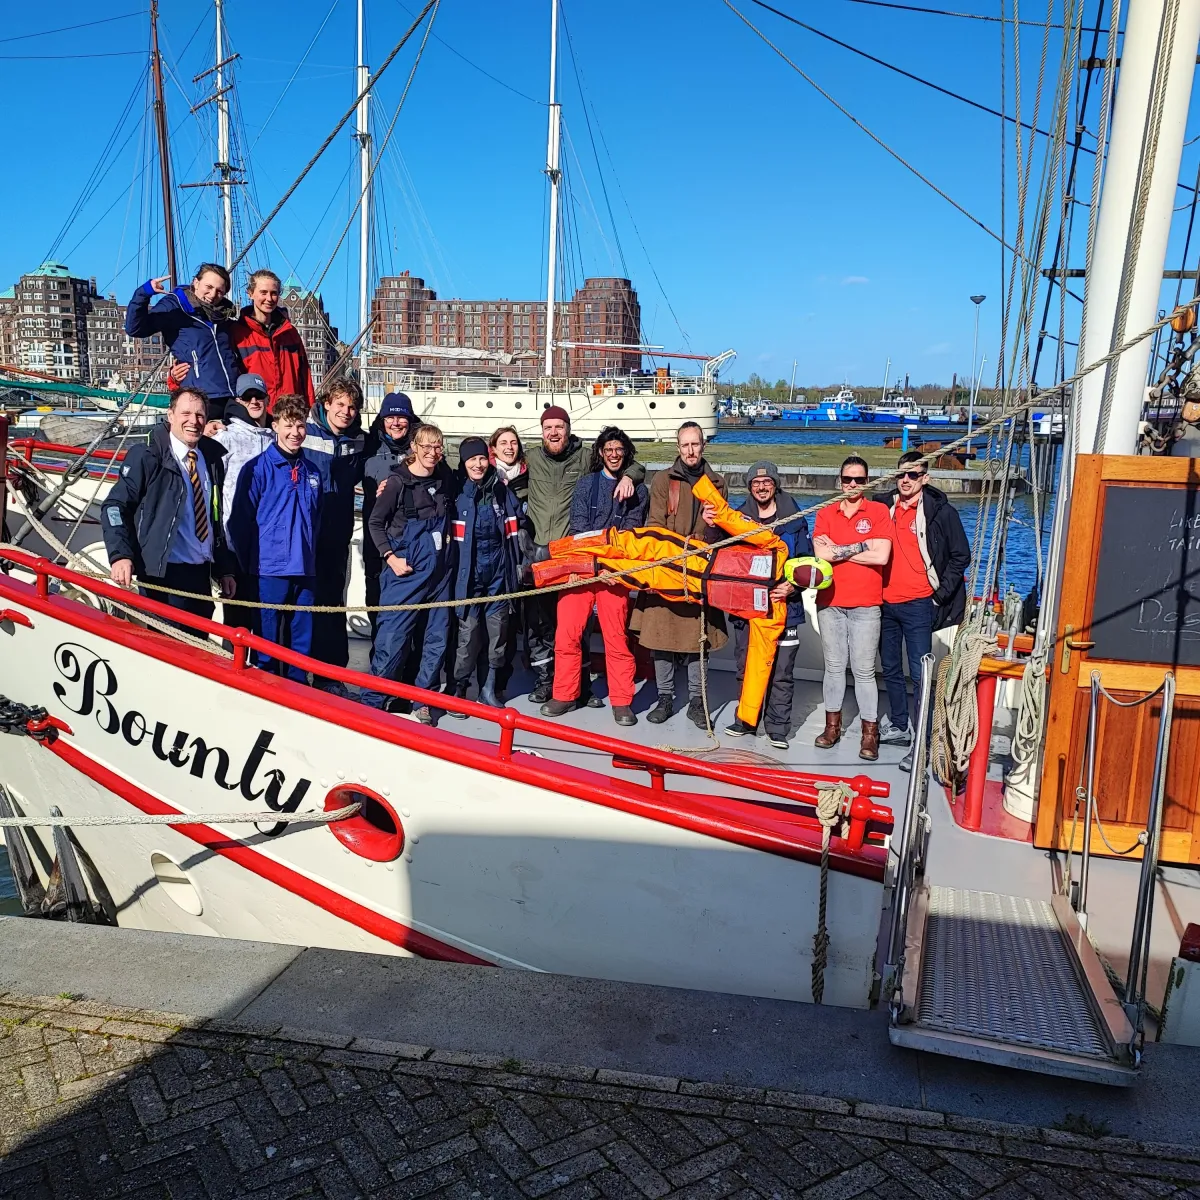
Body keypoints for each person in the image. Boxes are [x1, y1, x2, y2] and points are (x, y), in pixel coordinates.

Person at [523, 406, 644, 703]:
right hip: (549, 555)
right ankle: (553, 686)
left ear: (568, 429)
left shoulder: (585, 459)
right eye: (548, 427)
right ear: (541, 431)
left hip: (590, 563)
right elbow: (500, 463)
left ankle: (600, 694)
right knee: (549, 628)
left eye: (559, 427)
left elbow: (628, 463)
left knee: (598, 633)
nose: (554, 432)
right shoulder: (533, 458)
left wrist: (631, 475)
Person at [102, 387, 237, 624]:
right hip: (163, 575)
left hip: (200, 575)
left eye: (199, 415)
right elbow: (114, 506)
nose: (193, 421)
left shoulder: (212, 459)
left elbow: (214, 517)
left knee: (197, 649)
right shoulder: (148, 455)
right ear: (170, 415)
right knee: (165, 650)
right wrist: (120, 555)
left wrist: (224, 569)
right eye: (186, 414)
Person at [877, 449, 971, 768]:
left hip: (920, 603)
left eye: (913, 475)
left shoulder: (941, 513)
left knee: (920, 675)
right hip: (885, 602)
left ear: (925, 478)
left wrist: (939, 596)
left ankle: (923, 741)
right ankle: (900, 725)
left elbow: (961, 556)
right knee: (889, 667)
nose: (906, 480)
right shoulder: (883, 507)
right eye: (901, 474)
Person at [635, 421, 728, 729]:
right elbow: (656, 524)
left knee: (697, 640)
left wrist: (704, 527)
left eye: (696, 444)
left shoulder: (717, 483)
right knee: (661, 637)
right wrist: (675, 555)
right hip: (667, 568)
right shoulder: (663, 480)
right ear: (678, 447)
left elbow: (719, 530)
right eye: (685, 445)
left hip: (700, 570)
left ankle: (697, 701)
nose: (691, 450)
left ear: (703, 446)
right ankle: (665, 697)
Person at [361, 424, 456, 723]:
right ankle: (373, 702)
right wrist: (390, 558)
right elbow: (375, 524)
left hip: (439, 574)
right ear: (414, 447)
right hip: (405, 573)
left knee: (435, 639)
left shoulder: (444, 479)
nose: (431, 453)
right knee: (392, 640)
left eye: (437, 447)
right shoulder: (395, 483)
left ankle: (423, 701)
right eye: (425, 447)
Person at [228, 395, 323, 683]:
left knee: (301, 641)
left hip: (305, 568)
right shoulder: (256, 469)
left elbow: (316, 519)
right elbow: (239, 520)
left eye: (300, 426)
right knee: (266, 641)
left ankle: (297, 688)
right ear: (275, 426)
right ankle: (264, 686)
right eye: (289, 425)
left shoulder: (313, 472)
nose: (295, 433)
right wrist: (248, 563)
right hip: (269, 569)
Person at [811, 455, 894, 761]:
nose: (853, 485)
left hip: (866, 604)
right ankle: (832, 727)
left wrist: (843, 550)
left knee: (863, 671)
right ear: (840, 480)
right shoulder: (826, 513)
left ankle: (870, 734)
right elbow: (821, 554)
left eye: (860, 480)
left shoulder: (878, 511)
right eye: (848, 479)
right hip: (830, 603)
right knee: (833, 668)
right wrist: (862, 546)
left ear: (867, 481)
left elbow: (881, 556)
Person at [724, 461, 812, 748]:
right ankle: (746, 721)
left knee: (782, 672)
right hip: (748, 609)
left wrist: (792, 585)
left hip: (786, 608)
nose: (761, 487)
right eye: (756, 483)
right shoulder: (738, 519)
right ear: (750, 487)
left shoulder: (795, 518)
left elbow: (807, 560)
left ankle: (777, 727)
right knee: (745, 665)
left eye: (767, 483)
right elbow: (727, 561)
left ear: (775, 485)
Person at [446, 436, 526, 711]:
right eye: (472, 460)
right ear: (464, 462)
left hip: (498, 575)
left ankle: (488, 689)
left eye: (482, 458)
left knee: (498, 635)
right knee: (468, 637)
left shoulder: (501, 491)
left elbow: (518, 523)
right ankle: (458, 689)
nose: (478, 464)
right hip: (467, 577)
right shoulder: (455, 491)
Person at [304, 378, 367, 693]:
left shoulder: (357, 441)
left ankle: (330, 675)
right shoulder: (303, 433)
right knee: (302, 603)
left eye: (352, 407)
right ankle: (297, 670)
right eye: (340, 404)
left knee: (332, 605)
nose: (346, 412)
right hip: (303, 537)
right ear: (326, 403)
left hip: (337, 534)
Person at [125, 264, 241, 421]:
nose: (213, 294)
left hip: (233, 396)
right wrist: (144, 292)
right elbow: (135, 329)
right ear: (196, 282)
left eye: (219, 291)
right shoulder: (175, 306)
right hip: (201, 398)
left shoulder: (223, 315)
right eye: (209, 286)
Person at [214, 373, 274, 629]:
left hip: (268, 545)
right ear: (239, 400)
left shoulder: (276, 438)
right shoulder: (225, 437)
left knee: (263, 618)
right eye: (247, 397)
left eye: (258, 396)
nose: (254, 401)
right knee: (236, 620)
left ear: (266, 398)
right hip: (235, 542)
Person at [362, 392, 421, 632]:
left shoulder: (420, 448)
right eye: (390, 417)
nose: (396, 423)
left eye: (402, 417)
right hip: (376, 538)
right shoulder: (368, 446)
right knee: (375, 601)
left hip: (410, 540)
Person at [229, 269, 315, 408]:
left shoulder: (290, 332)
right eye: (263, 292)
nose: (269, 299)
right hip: (256, 413)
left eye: (274, 293)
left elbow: (304, 374)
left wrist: (310, 408)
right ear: (250, 294)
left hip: (289, 413)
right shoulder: (238, 333)